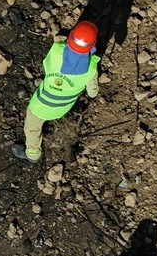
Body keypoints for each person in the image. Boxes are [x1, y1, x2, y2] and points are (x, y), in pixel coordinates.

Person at [12, 21, 101, 164]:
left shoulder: (57, 52)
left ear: (70, 37)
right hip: (62, 108)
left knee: (32, 129)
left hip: (39, 106)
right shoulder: (91, 69)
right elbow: (92, 93)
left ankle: (33, 155)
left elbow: (45, 67)